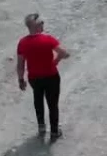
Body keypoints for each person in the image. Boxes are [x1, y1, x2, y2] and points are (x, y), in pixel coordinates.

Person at [16, 13, 69, 142]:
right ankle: (55, 132)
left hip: (34, 78)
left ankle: (41, 127)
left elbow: (20, 64)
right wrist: (55, 61)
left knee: (38, 100)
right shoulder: (48, 39)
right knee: (52, 104)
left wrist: (21, 79)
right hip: (51, 76)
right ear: (36, 25)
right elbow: (65, 53)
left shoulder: (22, 43)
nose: (43, 24)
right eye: (41, 22)